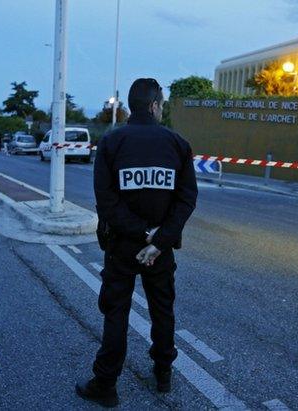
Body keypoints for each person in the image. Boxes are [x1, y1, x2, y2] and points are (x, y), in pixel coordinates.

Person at [76, 78, 198, 407]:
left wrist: (142, 235)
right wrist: (159, 239)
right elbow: (186, 199)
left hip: (122, 246)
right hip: (161, 248)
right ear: (156, 105)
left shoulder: (112, 142)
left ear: (131, 106)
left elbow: (106, 202)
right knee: (162, 310)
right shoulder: (178, 144)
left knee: (116, 313)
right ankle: (163, 373)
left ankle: (105, 383)